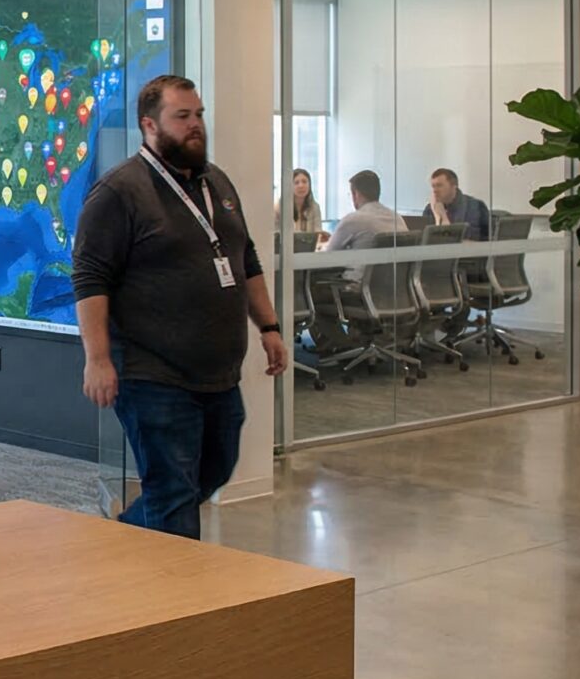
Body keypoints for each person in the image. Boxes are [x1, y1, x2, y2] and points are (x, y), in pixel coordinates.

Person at [71, 76, 286, 540]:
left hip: (218, 374)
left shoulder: (217, 183)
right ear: (149, 125)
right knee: (173, 492)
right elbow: (90, 280)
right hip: (152, 375)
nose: (196, 126)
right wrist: (98, 359)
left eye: (199, 115)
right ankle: (182, 601)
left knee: (211, 473)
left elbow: (243, 257)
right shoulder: (119, 192)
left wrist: (269, 325)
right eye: (182, 117)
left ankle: (124, 536)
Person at [323, 170, 404, 253]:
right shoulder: (396, 218)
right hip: (397, 266)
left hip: (362, 265)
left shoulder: (352, 220)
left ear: (356, 194)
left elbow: (329, 254)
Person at [422, 167, 493, 241]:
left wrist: (444, 217)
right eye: (433, 186)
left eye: (439, 185)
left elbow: (487, 240)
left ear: (454, 186)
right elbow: (426, 241)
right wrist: (437, 217)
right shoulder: (429, 209)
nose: (435, 190)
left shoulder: (475, 207)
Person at [288, 168, 327, 243]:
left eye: (304, 182)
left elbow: (318, 232)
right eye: (296, 183)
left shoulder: (315, 207)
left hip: (309, 250)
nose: (301, 186)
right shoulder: (281, 207)